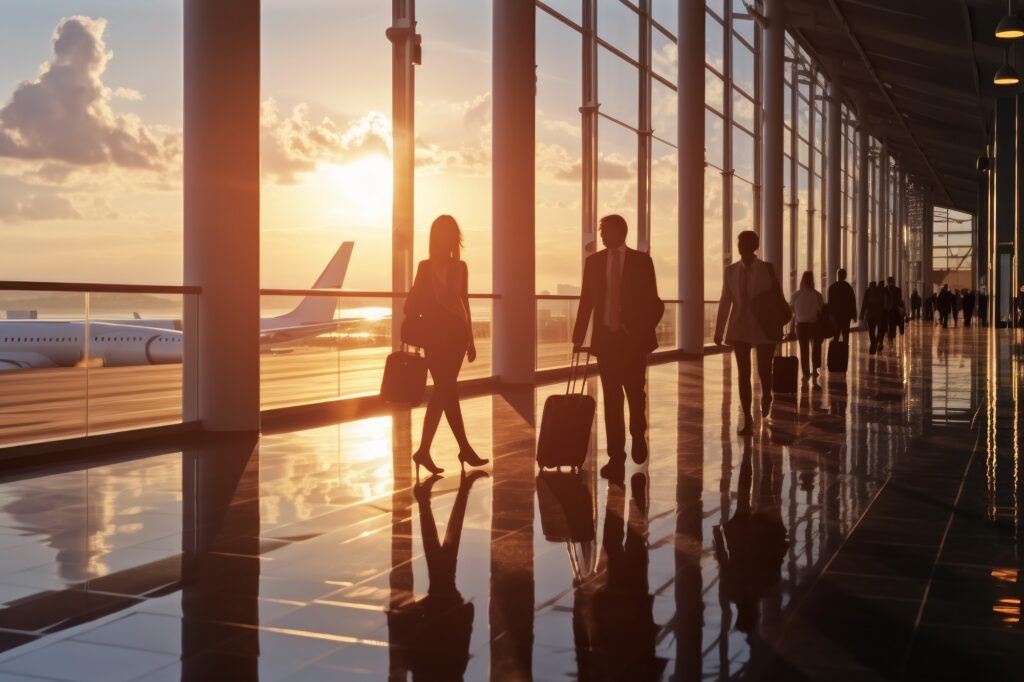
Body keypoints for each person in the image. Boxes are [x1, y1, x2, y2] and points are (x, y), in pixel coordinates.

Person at [573, 214, 663, 482]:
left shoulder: (641, 262)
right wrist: (578, 337)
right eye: (601, 232)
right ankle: (616, 457)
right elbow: (586, 301)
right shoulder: (594, 262)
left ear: (620, 232)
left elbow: (653, 302)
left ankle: (637, 434)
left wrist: (635, 328)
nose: (601, 236)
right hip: (606, 341)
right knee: (611, 400)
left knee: (635, 394)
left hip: (631, 340)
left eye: (605, 231)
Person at [406, 215, 488, 476]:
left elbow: (464, 302)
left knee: (446, 391)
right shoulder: (425, 266)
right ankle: (457, 449)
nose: (450, 239)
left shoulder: (460, 267)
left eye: (452, 234)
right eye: (446, 234)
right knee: (445, 391)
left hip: (455, 336)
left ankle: (430, 451)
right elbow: (415, 300)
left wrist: (471, 339)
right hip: (434, 336)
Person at [387, 469, 487, 678]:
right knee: (443, 562)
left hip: (441, 621)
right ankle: (432, 498)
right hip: (433, 625)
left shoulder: (454, 671)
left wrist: (466, 617)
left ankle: (453, 492)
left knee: (445, 563)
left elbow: (460, 647)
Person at [715, 231, 784, 435]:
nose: (739, 246)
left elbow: (776, 297)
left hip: (764, 326)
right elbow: (725, 300)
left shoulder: (767, 269)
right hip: (740, 327)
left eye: (742, 243)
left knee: (764, 369)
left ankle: (766, 395)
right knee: (743, 373)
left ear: (753, 246)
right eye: (738, 243)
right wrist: (719, 331)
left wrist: (780, 322)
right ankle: (747, 417)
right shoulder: (731, 271)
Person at [791, 271, 825, 379]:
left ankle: (805, 373)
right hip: (813, 325)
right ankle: (815, 370)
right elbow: (821, 310)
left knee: (803, 349)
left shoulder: (796, 295)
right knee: (815, 348)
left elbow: (792, 311)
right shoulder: (817, 295)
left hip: (801, 326)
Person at [826, 268, 857, 344]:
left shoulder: (832, 287)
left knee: (836, 335)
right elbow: (852, 302)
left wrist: (830, 315)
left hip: (836, 316)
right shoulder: (848, 287)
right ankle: (844, 354)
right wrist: (854, 315)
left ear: (838, 275)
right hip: (846, 316)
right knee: (845, 336)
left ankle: (835, 353)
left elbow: (830, 303)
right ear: (845, 276)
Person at [860, 281, 886, 354]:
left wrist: (862, 315)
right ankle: (876, 342)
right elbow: (884, 303)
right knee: (879, 330)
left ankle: (873, 343)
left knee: (871, 331)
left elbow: (864, 303)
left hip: (870, 314)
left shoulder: (868, 291)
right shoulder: (880, 291)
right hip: (879, 314)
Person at [883, 276, 904, 347]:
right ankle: (891, 337)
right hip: (895, 310)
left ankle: (890, 338)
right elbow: (900, 300)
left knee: (889, 324)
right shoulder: (898, 290)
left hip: (887, 311)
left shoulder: (885, 289)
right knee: (893, 324)